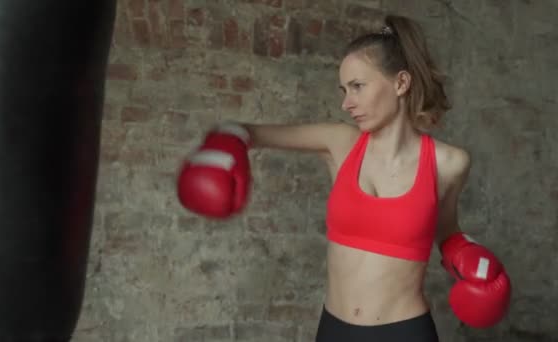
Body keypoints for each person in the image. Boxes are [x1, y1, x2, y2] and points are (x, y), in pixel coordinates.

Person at [176, 14, 511, 342]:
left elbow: (447, 232)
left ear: (400, 83)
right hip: (335, 328)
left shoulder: (449, 163)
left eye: (357, 87)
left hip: (405, 332)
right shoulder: (339, 142)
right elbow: (247, 132)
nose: (346, 103)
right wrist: (226, 142)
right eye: (344, 90)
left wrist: (470, 259)